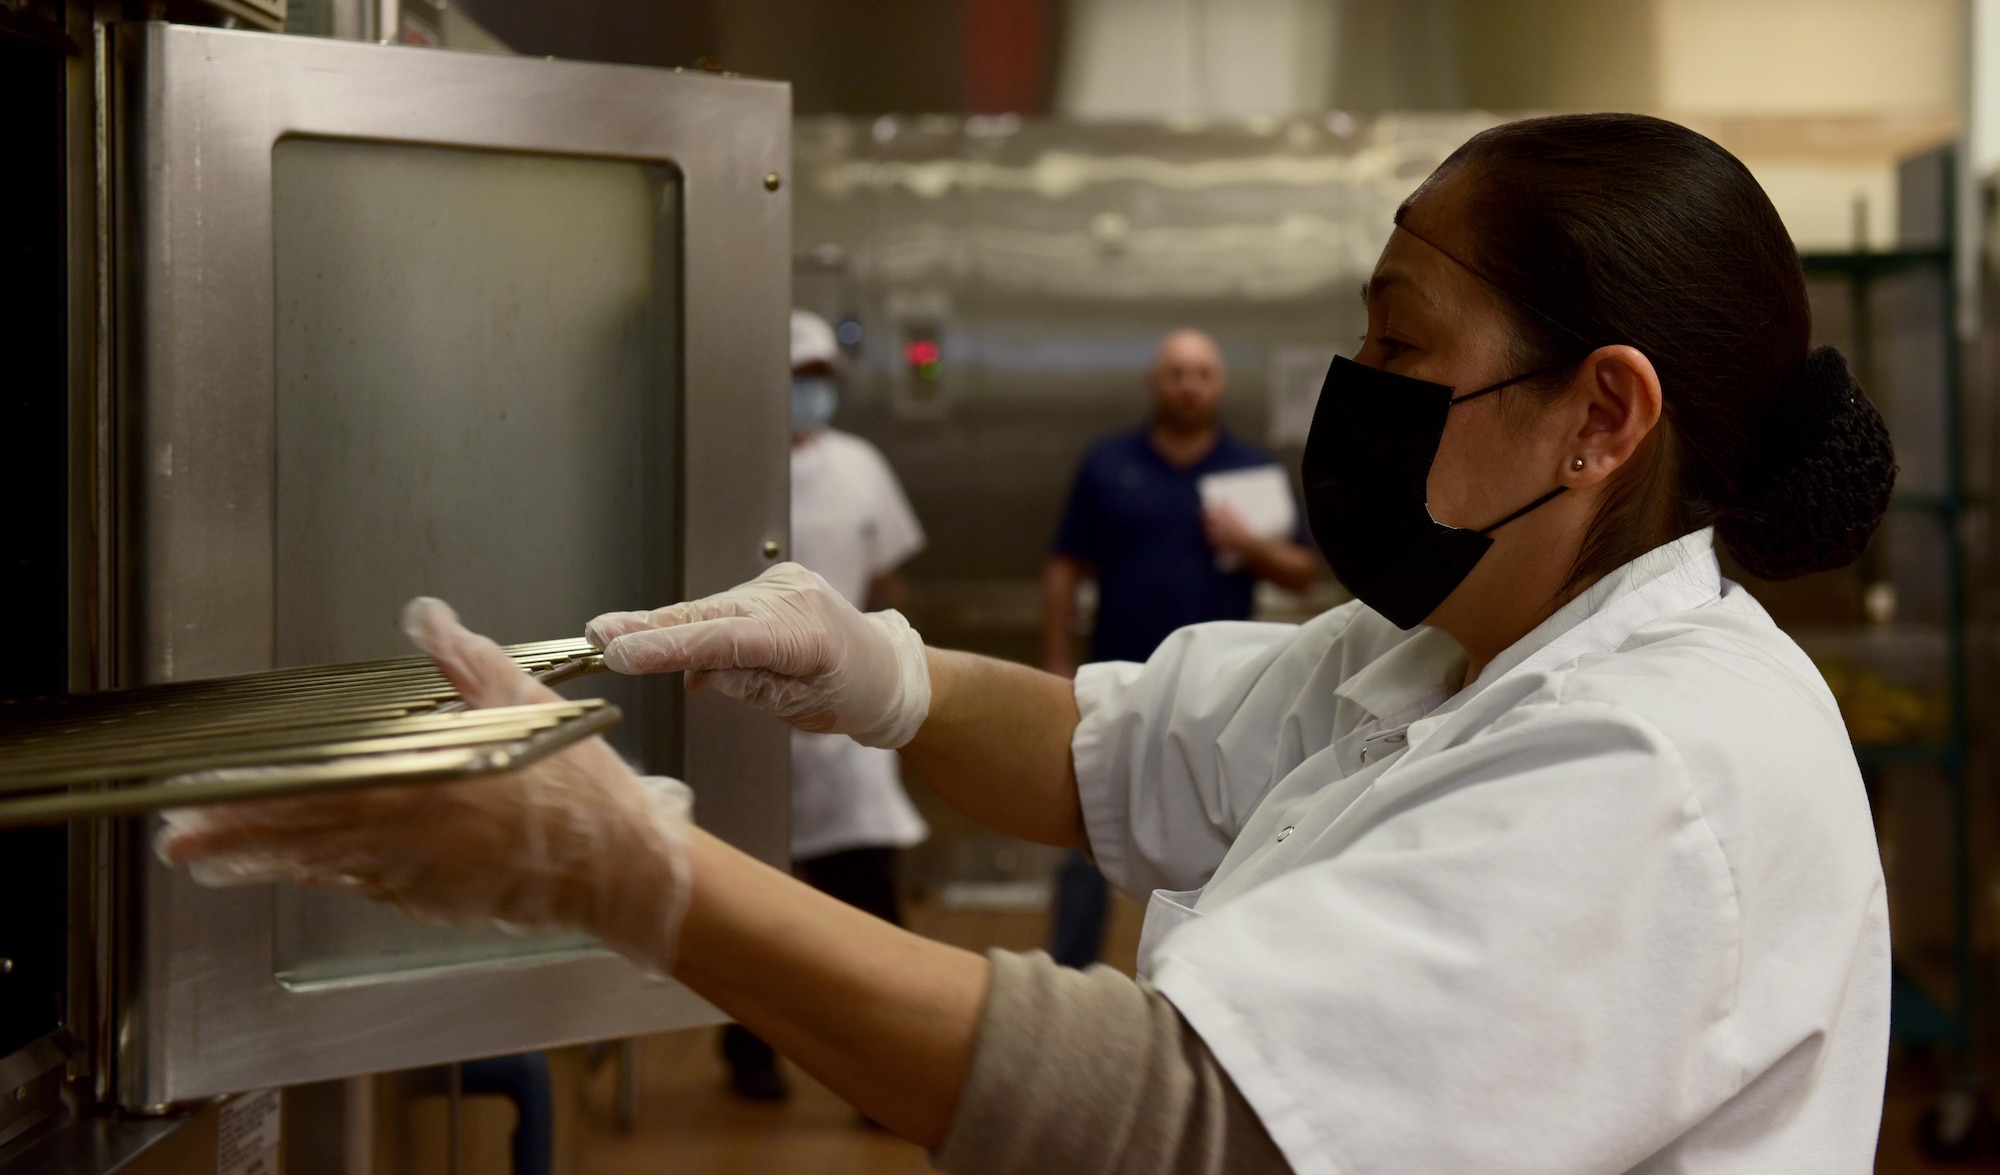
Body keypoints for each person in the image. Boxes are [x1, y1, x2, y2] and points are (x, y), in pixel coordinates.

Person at [166, 114, 1898, 1174]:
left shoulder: (1660, 769)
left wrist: (636, 878)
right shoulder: (1448, 648)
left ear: (1602, 415)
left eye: (1403, 341)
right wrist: (873, 672)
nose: (1352, 392)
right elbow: (1117, 746)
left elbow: (1181, 1125)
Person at [1042, 328, 1316, 968]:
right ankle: (1067, 980)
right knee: (1080, 836)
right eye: (1176, 373)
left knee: (1222, 851)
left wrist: (1248, 544)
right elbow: (1063, 568)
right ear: (1154, 383)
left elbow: (1302, 572)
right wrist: (1056, 662)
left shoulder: (1252, 472)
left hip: (1228, 699)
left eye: (1202, 373)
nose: (1189, 385)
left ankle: (1204, 980)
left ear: (1219, 386)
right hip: (1114, 683)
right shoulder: (1107, 463)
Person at [719, 309, 931, 1101]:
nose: (811, 394)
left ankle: (893, 1066)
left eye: (820, 379)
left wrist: (900, 667)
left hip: (847, 715)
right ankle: (748, 1053)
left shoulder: (862, 464)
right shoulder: (738, 470)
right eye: (797, 380)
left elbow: (887, 581)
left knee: (867, 899)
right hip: (752, 708)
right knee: (754, 901)